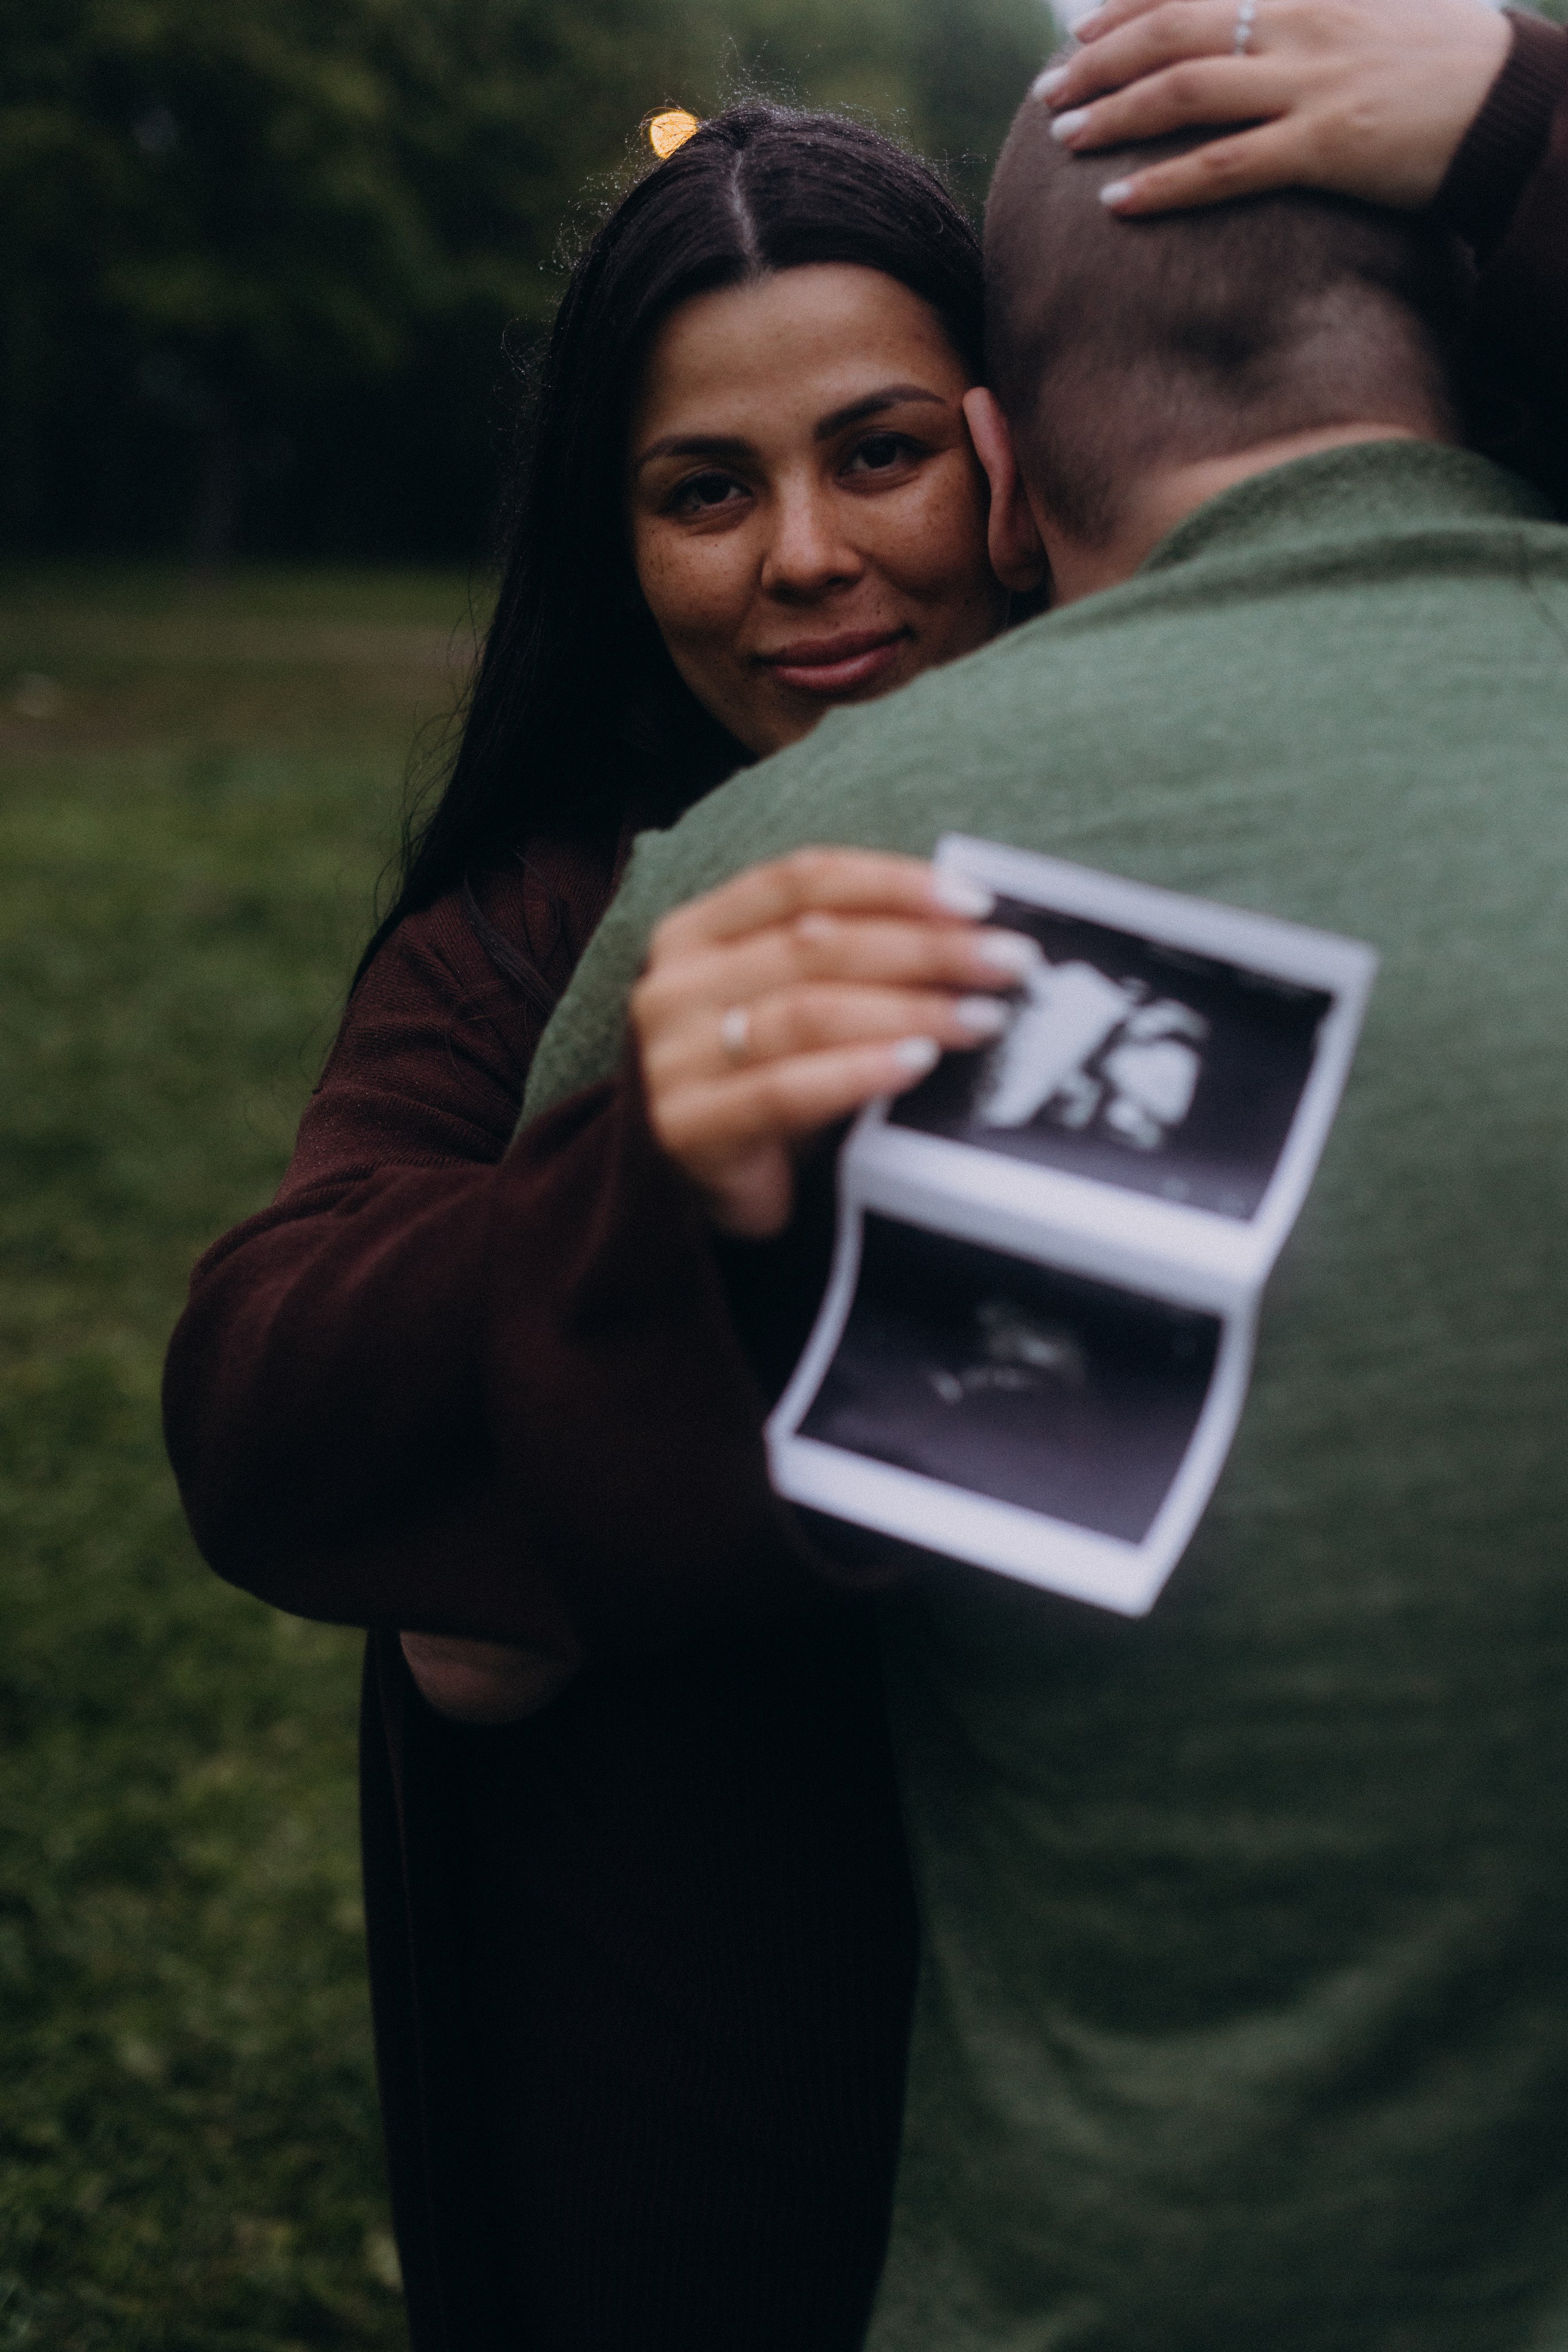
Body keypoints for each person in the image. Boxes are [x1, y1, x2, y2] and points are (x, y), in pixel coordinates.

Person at [162, 14, 1568, 2345]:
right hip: (766, 2092)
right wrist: (635, 1204)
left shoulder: (1285, 778)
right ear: (617, 546)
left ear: (1014, 454)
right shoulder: (540, 930)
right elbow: (271, 1400)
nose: (809, 561)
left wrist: (1518, 123)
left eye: (879, 453)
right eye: (704, 491)